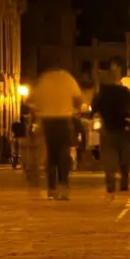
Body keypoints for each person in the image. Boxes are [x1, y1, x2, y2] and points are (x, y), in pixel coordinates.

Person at [29, 67, 82, 200]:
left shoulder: (43, 80)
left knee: (51, 155)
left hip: (47, 121)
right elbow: (78, 98)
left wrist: (40, 111)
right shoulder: (67, 78)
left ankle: (51, 188)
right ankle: (63, 185)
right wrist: (74, 110)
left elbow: (32, 99)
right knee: (64, 154)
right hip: (64, 119)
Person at [91, 70, 130, 197]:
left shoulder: (102, 94)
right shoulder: (126, 92)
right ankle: (124, 184)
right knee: (125, 159)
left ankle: (111, 184)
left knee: (110, 157)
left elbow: (94, 108)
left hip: (109, 129)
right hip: (125, 128)